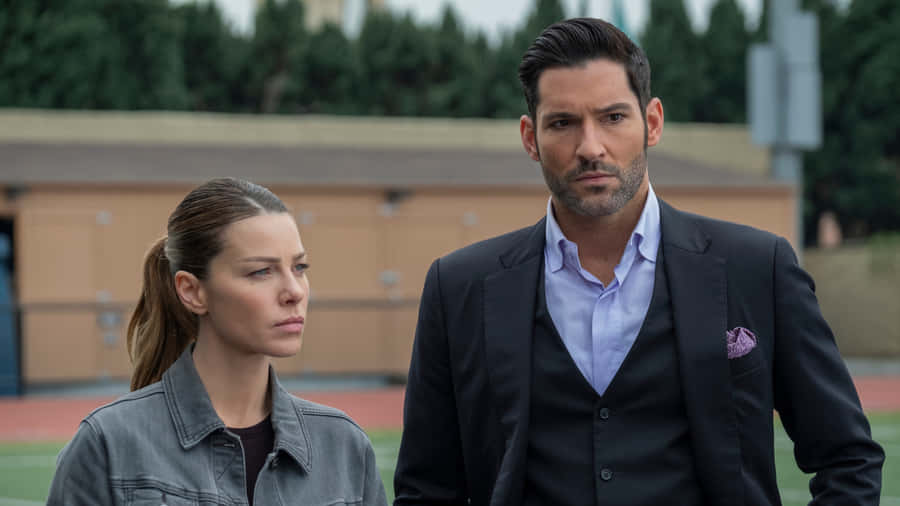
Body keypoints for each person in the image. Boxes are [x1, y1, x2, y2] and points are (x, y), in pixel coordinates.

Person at [393, 18, 884, 506]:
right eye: (562, 123)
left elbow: (848, 459)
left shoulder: (758, 268)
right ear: (530, 137)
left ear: (652, 122)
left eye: (612, 117)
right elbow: (425, 488)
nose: (590, 147)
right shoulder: (458, 286)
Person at [48, 178, 388, 506]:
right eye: (261, 272)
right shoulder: (107, 444)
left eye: (299, 267)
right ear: (192, 291)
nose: (295, 291)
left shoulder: (344, 446)